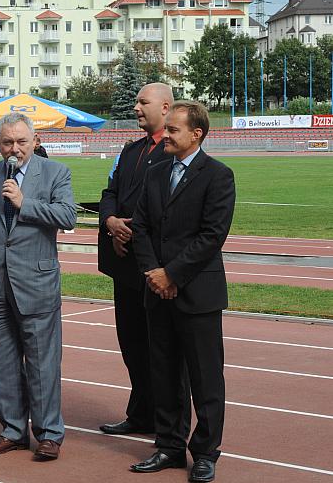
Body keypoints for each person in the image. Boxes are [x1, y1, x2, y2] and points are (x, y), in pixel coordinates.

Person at [129, 101, 235, 483]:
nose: (166, 136)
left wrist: (171, 274)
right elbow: (140, 227)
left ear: (197, 134)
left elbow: (212, 235)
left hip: (197, 293)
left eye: (173, 130)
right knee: (165, 374)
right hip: (157, 291)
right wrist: (154, 274)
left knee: (206, 378)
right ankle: (169, 446)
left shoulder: (218, 176)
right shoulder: (156, 172)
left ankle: (205, 452)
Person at [0, 112, 76, 461]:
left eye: (22, 141)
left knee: (43, 364)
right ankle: (13, 430)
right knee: (3, 363)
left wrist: (23, 203)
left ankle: (48, 434)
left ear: (35, 141)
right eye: (8, 142)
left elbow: (68, 216)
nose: (15, 148)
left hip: (36, 283)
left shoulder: (55, 172)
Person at [97, 83, 176, 437]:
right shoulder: (131, 151)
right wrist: (111, 222)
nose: (136, 108)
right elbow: (110, 192)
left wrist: (132, 232)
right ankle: (141, 412)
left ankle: (166, 422)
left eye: (143, 102)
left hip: (156, 264)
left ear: (166, 107)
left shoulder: (174, 152)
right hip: (125, 262)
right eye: (136, 102)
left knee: (161, 347)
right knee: (131, 343)